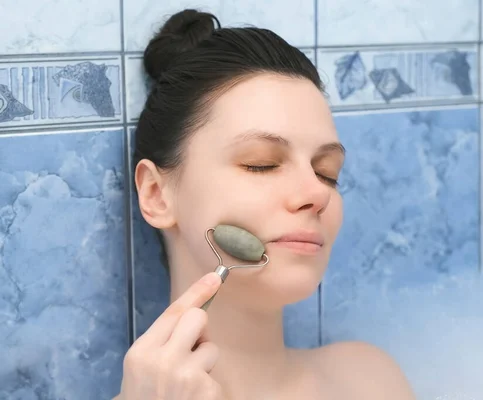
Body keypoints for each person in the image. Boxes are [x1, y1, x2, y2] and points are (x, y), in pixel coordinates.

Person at [115, 9, 416, 400]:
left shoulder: (370, 380)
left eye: (327, 172)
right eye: (262, 164)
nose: (317, 193)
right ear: (156, 194)